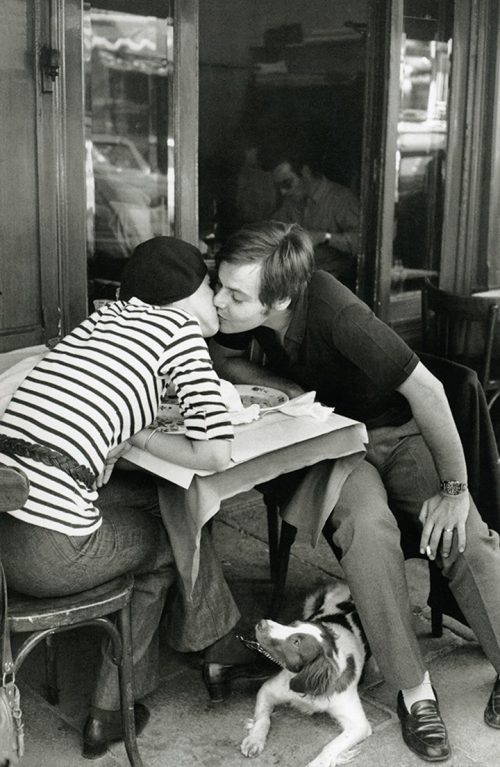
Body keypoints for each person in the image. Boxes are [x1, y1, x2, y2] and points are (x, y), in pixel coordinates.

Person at [209, 220, 500, 762]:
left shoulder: (339, 313)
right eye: (220, 285)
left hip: (398, 430)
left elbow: (431, 392)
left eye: (234, 294)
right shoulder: (233, 309)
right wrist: (285, 386)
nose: (218, 300)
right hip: (337, 443)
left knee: (464, 530)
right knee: (367, 530)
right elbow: (221, 356)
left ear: (280, 299)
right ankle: (415, 691)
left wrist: (455, 489)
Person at [0, 236, 270, 758]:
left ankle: (218, 646)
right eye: (210, 285)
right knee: (169, 542)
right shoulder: (178, 333)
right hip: (49, 554)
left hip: (4, 532)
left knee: (162, 502)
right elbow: (215, 453)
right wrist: (141, 437)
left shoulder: (101, 321)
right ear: (187, 290)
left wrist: (124, 439)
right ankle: (112, 710)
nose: (216, 299)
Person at [259, 143, 360, 288]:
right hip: (299, 281)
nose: (283, 192)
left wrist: (325, 237)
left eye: (287, 183)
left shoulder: (341, 199)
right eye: (279, 187)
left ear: (305, 173)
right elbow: (271, 229)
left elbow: (361, 243)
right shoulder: (291, 201)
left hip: (336, 284)